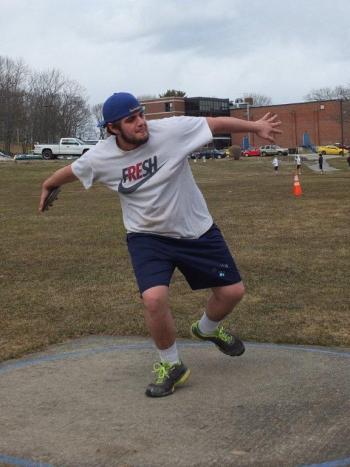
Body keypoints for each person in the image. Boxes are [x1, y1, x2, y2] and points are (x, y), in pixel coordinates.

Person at [39, 92, 282, 398]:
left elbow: (215, 121)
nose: (141, 123)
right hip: (147, 237)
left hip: (196, 231)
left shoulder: (171, 131)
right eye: (131, 119)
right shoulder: (101, 157)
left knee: (233, 293)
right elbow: (72, 171)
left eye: (141, 114)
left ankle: (206, 329)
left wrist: (255, 126)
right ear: (113, 128)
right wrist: (49, 184)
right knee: (154, 299)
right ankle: (172, 365)